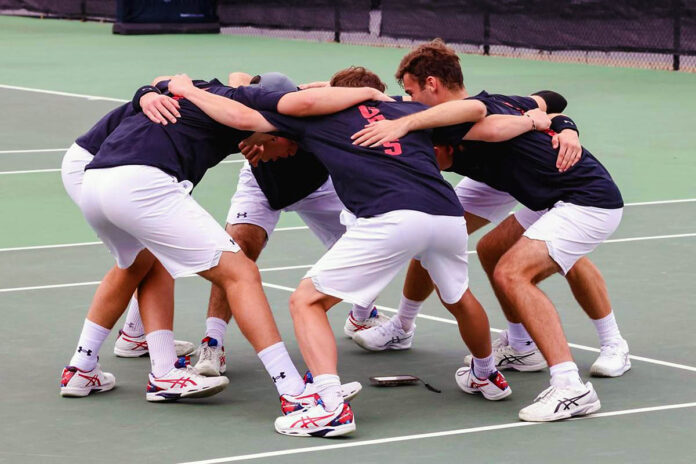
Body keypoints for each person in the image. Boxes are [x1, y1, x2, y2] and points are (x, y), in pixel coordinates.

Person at [167, 67, 551, 436]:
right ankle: (485, 375)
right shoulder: (409, 108)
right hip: (446, 214)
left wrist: (189, 90)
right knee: (459, 298)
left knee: (307, 302)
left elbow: (240, 109)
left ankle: (330, 407)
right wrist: (541, 122)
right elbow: (477, 110)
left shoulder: (316, 119)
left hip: (392, 216)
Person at [61, 75, 381, 405]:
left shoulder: (206, 91)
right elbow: (296, 105)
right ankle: (294, 392)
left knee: (141, 265)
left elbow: (165, 80)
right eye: (293, 142)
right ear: (274, 130)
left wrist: (148, 92)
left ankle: (87, 367)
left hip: (97, 183)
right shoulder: (249, 105)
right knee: (241, 274)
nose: (292, 152)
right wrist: (371, 93)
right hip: (140, 182)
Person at [352, 58, 625, 421]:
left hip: (582, 198)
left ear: (432, 83)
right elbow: (548, 102)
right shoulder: (472, 111)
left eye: (412, 89)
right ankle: (516, 346)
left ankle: (576, 382)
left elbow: (499, 122)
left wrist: (563, 128)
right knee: (455, 238)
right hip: (519, 185)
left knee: (514, 273)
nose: (408, 96)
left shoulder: (471, 113)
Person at [194, 69, 388, 378]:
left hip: (319, 188)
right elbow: (238, 76)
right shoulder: (272, 107)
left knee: (371, 241)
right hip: (262, 184)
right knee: (236, 251)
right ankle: (213, 343)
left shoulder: (328, 117)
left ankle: (362, 315)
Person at [61, 89, 196, 361]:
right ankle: (84, 364)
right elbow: (156, 84)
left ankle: (133, 337)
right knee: (141, 259)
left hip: (123, 168)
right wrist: (144, 93)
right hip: (93, 165)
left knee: (152, 255)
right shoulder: (202, 109)